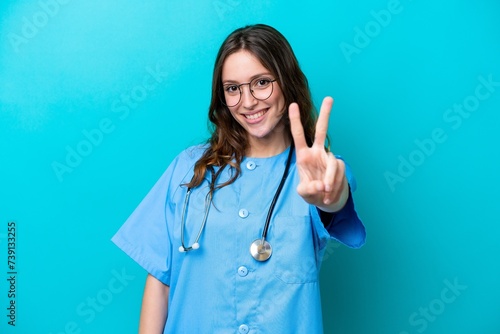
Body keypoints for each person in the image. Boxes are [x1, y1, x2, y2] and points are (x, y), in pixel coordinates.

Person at [112, 23, 366, 333]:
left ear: (287, 81)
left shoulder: (320, 171)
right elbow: (160, 281)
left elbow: (334, 200)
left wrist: (331, 197)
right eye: (233, 88)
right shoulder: (189, 168)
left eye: (261, 83)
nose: (247, 102)